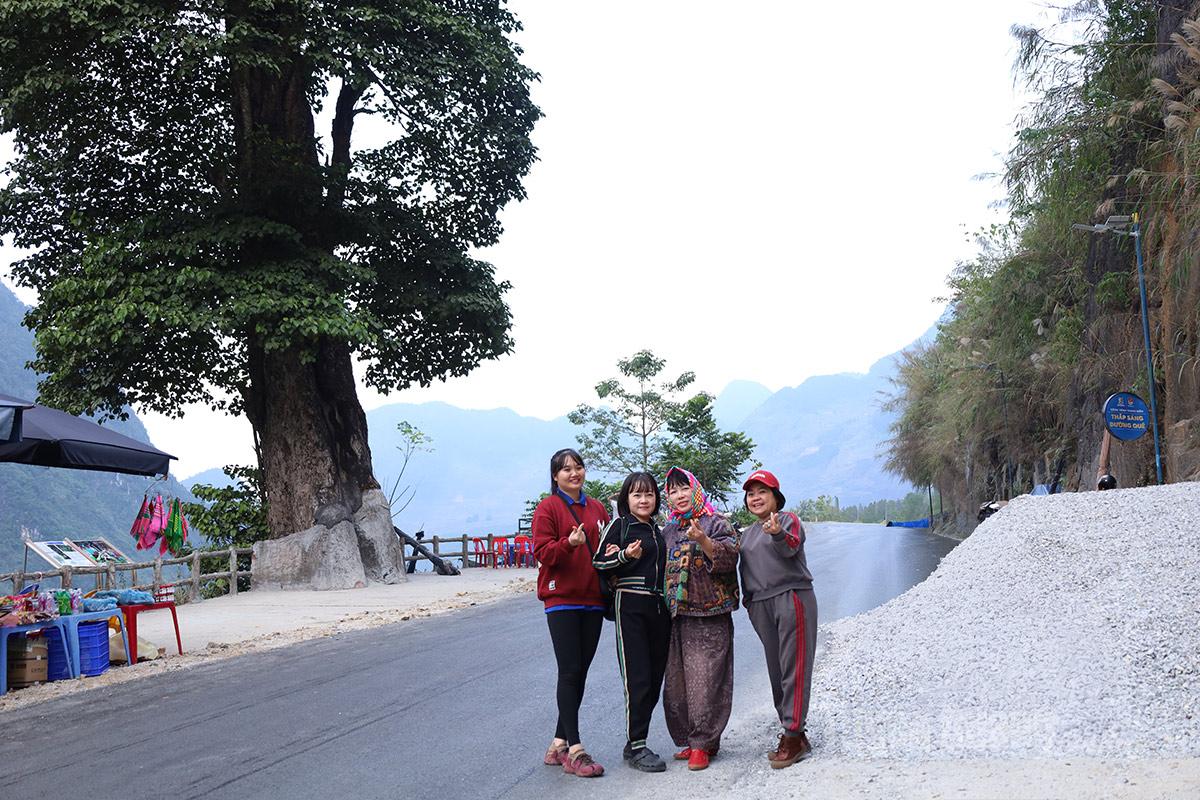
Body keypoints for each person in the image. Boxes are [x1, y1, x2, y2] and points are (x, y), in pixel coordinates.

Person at [532, 448, 611, 778]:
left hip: (593, 599)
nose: (573, 473)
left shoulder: (596, 508)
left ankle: (557, 743)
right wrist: (569, 544)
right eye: (566, 469)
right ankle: (575, 749)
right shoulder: (548, 508)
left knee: (579, 672)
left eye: (578, 467)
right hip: (562, 599)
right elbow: (542, 552)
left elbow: (606, 548)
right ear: (555, 476)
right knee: (570, 670)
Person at [659, 466, 739, 771]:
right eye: (673, 491)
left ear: (695, 490)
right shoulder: (669, 530)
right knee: (678, 686)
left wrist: (703, 539)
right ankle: (695, 740)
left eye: (684, 488)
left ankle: (702, 743)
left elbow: (730, 558)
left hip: (710, 616)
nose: (679, 496)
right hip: (677, 616)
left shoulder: (716, 522)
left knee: (706, 682)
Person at [738, 469, 817, 769]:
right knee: (776, 670)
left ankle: (793, 736)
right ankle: (795, 732)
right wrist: (749, 602)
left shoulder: (787, 520)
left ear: (776, 497)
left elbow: (790, 547)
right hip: (761, 605)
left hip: (791, 596)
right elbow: (745, 570)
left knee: (793, 666)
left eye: (762, 492)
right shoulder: (747, 533)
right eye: (751, 493)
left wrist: (778, 533)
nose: (756, 498)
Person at [593, 472, 670, 773]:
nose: (643, 500)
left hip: (659, 606)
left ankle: (634, 741)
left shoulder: (657, 529)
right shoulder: (620, 525)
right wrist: (625, 555)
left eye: (649, 494)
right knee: (637, 677)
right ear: (626, 498)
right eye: (637, 494)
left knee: (654, 677)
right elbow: (599, 561)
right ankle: (637, 744)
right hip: (631, 604)